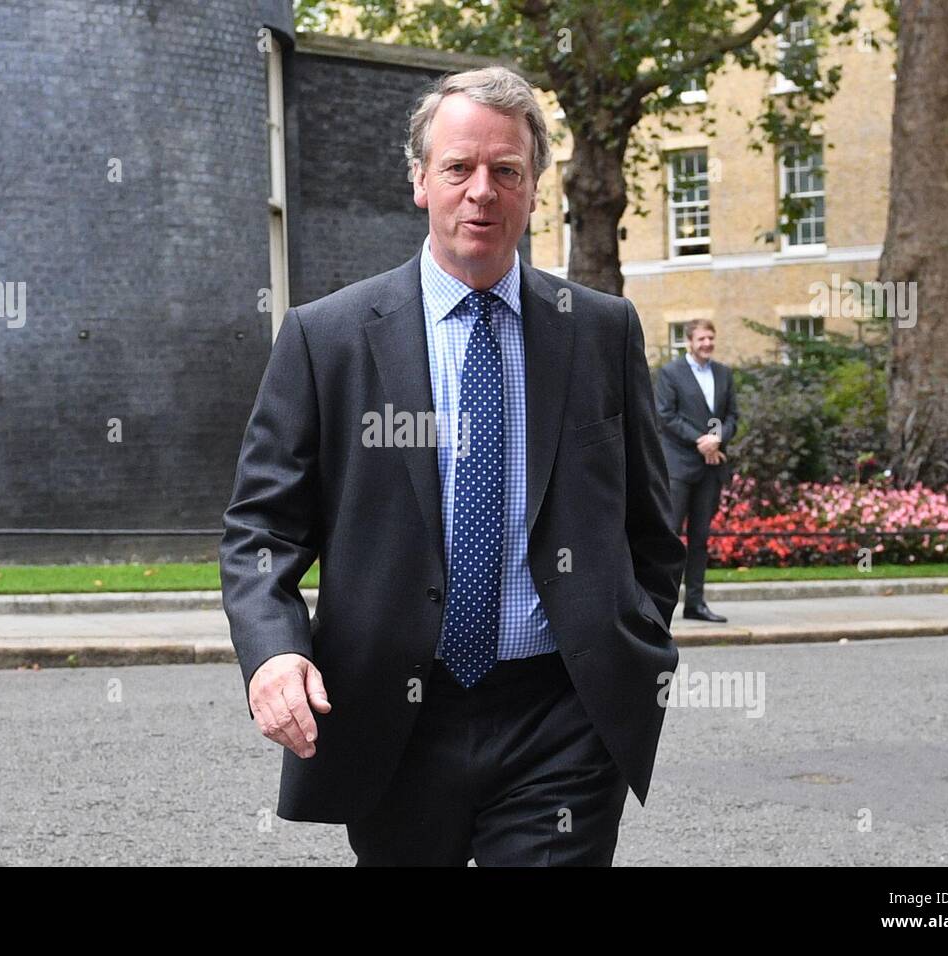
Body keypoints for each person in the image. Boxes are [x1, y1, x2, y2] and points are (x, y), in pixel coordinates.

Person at [219, 66, 685, 866]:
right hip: (395, 716)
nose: (482, 191)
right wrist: (272, 651)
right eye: (459, 168)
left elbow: (649, 523)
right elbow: (261, 529)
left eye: (507, 171)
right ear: (420, 183)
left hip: (561, 719)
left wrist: (634, 638)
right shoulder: (326, 338)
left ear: (534, 188)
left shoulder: (600, 332)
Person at [653, 320, 739, 623]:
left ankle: (695, 603)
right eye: (702, 338)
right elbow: (665, 416)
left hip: (711, 468)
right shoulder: (670, 373)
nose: (707, 343)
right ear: (689, 341)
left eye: (711, 338)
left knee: (700, 539)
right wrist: (700, 440)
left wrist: (718, 438)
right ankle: (659, 606)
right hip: (678, 467)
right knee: (670, 537)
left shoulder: (723, 374)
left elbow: (731, 416)